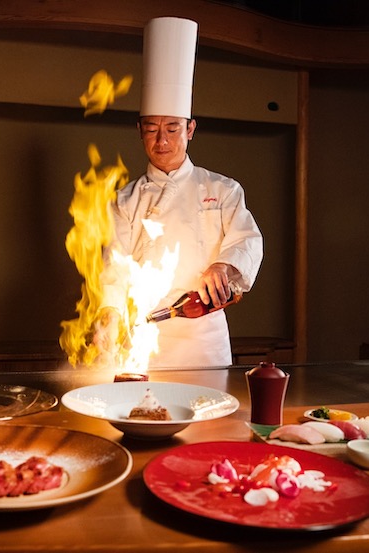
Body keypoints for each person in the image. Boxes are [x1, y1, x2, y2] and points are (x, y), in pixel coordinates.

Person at [93, 17, 263, 368]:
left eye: (172, 128)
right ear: (139, 130)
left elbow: (248, 241)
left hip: (204, 335)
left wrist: (223, 267)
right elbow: (113, 266)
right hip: (143, 334)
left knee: (210, 419)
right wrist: (109, 313)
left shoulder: (223, 189)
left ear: (191, 130)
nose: (162, 140)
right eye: (152, 129)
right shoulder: (124, 200)